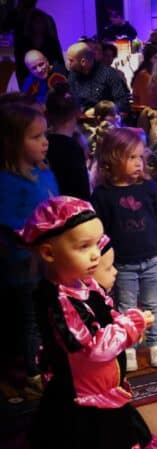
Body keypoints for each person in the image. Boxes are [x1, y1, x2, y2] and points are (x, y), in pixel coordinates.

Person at [20, 196, 157, 449]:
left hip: (103, 391)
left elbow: (106, 314)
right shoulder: (59, 301)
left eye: (96, 244)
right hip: (83, 402)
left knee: (114, 444)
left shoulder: (84, 285)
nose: (95, 256)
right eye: (84, 247)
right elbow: (94, 348)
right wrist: (131, 325)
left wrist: (123, 322)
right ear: (49, 253)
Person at [91, 127, 157, 371]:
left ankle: (156, 344)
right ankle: (128, 346)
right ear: (112, 159)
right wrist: (102, 262)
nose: (139, 163)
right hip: (123, 263)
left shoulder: (149, 188)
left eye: (141, 157)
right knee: (126, 306)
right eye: (132, 157)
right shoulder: (102, 195)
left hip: (152, 258)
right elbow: (99, 232)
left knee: (153, 304)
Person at [0, 103, 57, 396]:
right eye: (35, 137)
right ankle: (33, 371)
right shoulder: (7, 181)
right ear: (12, 142)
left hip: (48, 258)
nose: (45, 142)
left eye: (45, 135)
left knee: (48, 312)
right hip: (24, 263)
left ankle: (47, 360)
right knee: (30, 317)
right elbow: (9, 224)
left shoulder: (44, 173)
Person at [44, 82, 90, 200]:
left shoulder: (43, 144)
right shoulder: (74, 149)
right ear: (78, 113)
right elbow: (82, 192)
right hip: (70, 206)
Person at [66, 42, 131, 113]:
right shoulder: (72, 75)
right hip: (80, 117)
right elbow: (70, 101)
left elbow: (123, 102)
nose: (68, 63)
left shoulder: (109, 74)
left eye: (71, 61)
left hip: (104, 117)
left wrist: (100, 111)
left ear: (83, 62)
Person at [13, 7, 64, 85]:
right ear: (31, 24)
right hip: (30, 78)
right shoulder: (23, 44)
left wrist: (53, 70)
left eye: (42, 21)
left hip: (50, 76)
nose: (39, 25)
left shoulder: (51, 42)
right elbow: (20, 68)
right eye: (36, 21)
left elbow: (58, 61)